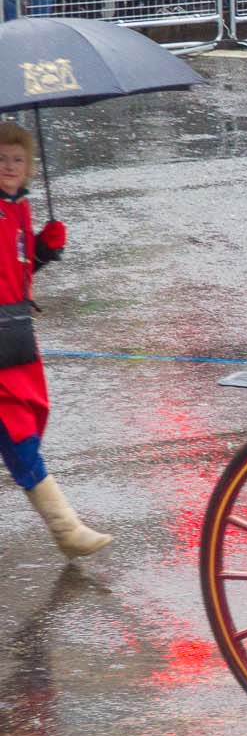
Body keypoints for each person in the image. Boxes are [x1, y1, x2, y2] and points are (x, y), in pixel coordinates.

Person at [0, 121, 110, 559]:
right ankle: (66, 528)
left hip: (16, 339)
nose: (9, 166)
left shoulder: (21, 208)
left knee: (21, 423)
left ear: (29, 169)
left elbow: (17, 272)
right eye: (1, 158)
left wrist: (44, 250)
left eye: (18, 160)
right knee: (16, 430)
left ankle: (66, 529)